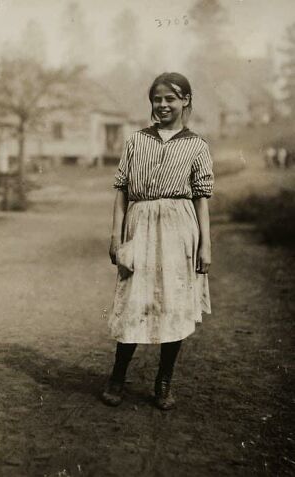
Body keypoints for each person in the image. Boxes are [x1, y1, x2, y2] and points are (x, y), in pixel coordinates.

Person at [103, 73, 213, 411]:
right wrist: (116, 235)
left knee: (174, 304)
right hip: (141, 224)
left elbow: (201, 199)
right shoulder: (136, 140)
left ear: (186, 101)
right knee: (133, 300)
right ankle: (118, 376)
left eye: (171, 99)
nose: (163, 105)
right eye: (157, 99)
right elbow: (122, 190)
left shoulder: (197, 145)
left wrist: (205, 245)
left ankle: (164, 380)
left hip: (179, 228)